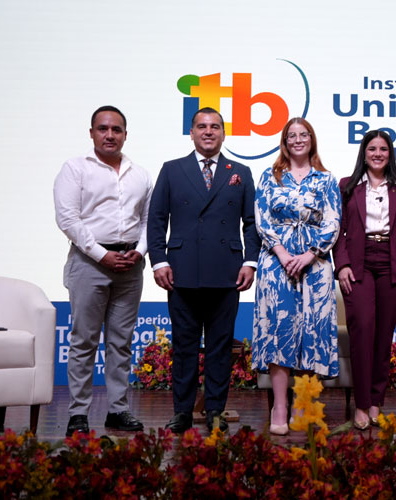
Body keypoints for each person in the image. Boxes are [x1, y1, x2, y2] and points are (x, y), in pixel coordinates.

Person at [147, 107, 260, 433]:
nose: (208, 131)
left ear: (223, 133)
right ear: (192, 133)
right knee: (183, 347)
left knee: (220, 347)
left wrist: (250, 262)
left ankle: (215, 411)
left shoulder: (240, 171)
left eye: (214, 126)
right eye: (201, 126)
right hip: (181, 272)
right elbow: (156, 219)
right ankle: (182, 412)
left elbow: (250, 223)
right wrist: (159, 261)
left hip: (226, 272)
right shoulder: (172, 170)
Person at [54, 105, 151, 436]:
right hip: (89, 263)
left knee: (121, 343)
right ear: (92, 132)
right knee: (83, 341)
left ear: (125, 134)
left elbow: (150, 220)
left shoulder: (140, 174)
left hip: (130, 266)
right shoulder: (75, 169)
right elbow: (68, 218)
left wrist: (139, 252)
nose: (110, 135)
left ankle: (118, 410)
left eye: (117, 129)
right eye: (103, 129)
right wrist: (100, 254)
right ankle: (78, 414)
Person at [251, 118, 341, 436]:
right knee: (280, 331)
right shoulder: (270, 175)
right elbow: (261, 217)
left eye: (304, 135)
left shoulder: (327, 179)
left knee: (312, 332)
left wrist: (309, 254)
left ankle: (304, 403)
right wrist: (283, 253)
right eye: (293, 135)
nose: (298, 139)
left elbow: (332, 221)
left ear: (312, 140)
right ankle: (280, 406)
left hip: (315, 266)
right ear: (285, 141)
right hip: (277, 264)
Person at [333, 130, 396, 430]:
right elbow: (338, 230)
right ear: (364, 153)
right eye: (372, 148)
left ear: (390, 154)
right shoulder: (347, 186)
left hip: (392, 264)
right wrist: (340, 264)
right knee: (363, 330)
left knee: (383, 336)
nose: (378, 153)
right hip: (358, 263)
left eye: (383, 149)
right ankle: (362, 403)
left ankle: (377, 402)